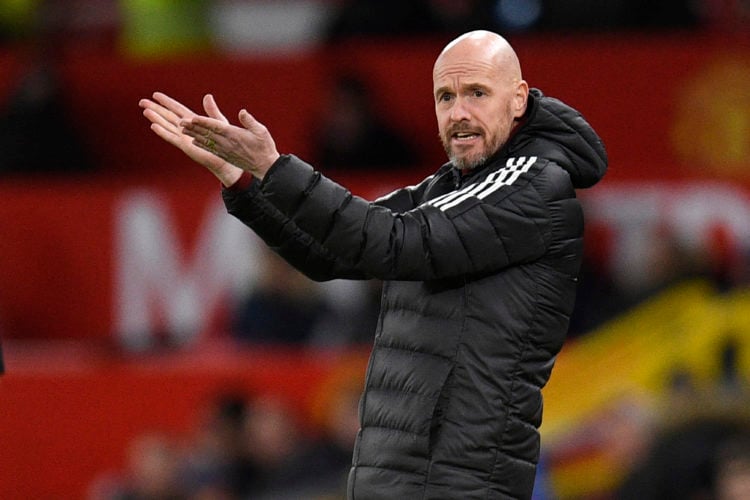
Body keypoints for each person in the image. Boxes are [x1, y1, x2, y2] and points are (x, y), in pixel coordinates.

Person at [139, 30, 607, 499]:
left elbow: (391, 240)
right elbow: (332, 254)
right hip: (401, 477)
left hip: (457, 482)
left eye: (477, 94)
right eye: (446, 97)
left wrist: (275, 167)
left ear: (519, 99)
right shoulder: (448, 188)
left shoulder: (531, 183)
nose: (459, 113)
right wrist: (243, 182)